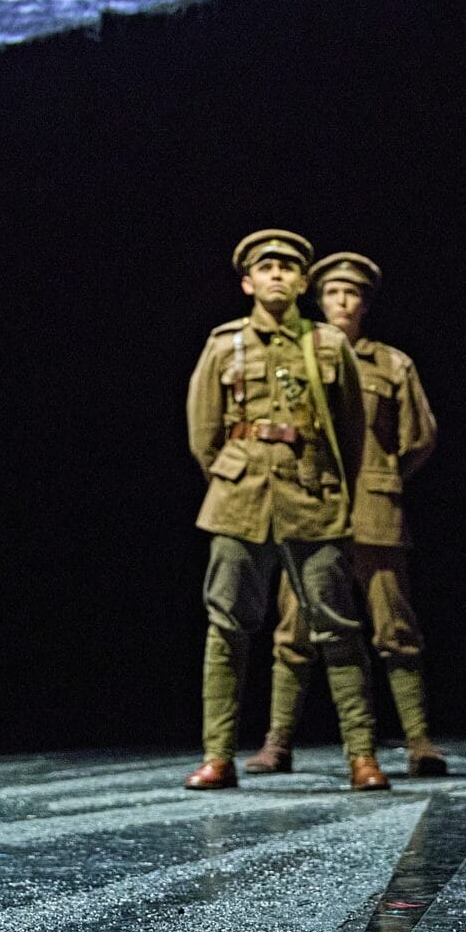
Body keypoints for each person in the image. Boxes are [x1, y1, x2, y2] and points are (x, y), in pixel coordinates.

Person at [183, 231, 390, 792]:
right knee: (226, 627)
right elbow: (204, 435)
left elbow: (351, 433)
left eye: (288, 267)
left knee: (338, 628)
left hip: (311, 499)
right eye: (266, 267)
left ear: (303, 282)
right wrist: (235, 476)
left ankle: (362, 756)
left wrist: (329, 485)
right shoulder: (224, 344)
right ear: (248, 282)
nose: (277, 274)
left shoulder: (327, 344)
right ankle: (218, 756)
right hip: (238, 499)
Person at [249, 252, 445, 777]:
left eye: (351, 293)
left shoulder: (391, 363)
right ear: (319, 298)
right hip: (310, 506)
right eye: (333, 292)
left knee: (394, 625)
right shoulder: (298, 355)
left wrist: (382, 474)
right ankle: (278, 741)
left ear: (364, 302)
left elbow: (420, 436)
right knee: (294, 625)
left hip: (373, 509)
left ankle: (418, 740)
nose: (341, 301)